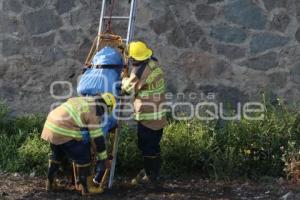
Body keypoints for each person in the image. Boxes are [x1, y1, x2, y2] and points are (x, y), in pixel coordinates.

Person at [41, 93, 116, 195]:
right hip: (64, 130)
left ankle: (50, 183)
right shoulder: (94, 112)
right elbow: (97, 139)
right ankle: (87, 188)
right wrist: (103, 158)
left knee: (57, 156)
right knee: (84, 158)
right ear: (107, 107)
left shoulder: (83, 100)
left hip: (51, 126)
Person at [121, 41, 167, 188]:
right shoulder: (154, 63)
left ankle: (150, 177)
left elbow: (126, 90)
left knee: (146, 146)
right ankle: (154, 172)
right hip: (159, 114)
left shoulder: (139, 71)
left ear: (134, 58)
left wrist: (123, 77)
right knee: (154, 146)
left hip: (147, 117)